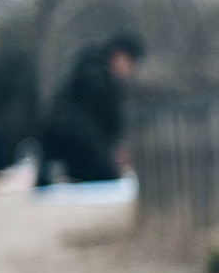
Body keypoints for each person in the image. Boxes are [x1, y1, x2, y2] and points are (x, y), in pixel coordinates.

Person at [36, 33, 144, 186]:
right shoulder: (94, 77)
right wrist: (108, 152)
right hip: (74, 151)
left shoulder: (101, 78)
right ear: (119, 56)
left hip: (78, 150)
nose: (130, 70)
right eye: (130, 62)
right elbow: (88, 126)